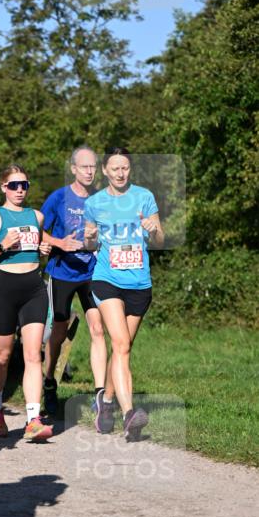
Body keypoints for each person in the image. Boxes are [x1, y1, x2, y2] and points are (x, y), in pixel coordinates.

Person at [84, 147, 164, 440]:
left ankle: (104, 403)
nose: (120, 173)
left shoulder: (144, 197)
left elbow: (159, 238)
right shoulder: (95, 203)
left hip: (139, 283)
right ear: (105, 170)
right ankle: (130, 413)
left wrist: (153, 229)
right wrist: (89, 238)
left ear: (131, 169)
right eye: (115, 168)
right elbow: (90, 242)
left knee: (123, 347)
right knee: (120, 343)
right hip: (107, 280)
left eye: (125, 168)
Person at [0, 165, 53, 442]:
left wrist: (43, 249)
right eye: (14, 185)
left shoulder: (37, 216)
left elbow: (37, 246)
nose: (20, 190)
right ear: (3, 187)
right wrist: (1, 246)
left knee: (34, 354)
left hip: (33, 288)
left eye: (24, 185)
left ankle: (33, 419)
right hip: (2, 289)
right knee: (3, 356)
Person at [40, 147, 107, 415]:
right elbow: (38, 230)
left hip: (91, 273)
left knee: (98, 329)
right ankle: (49, 384)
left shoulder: (100, 200)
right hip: (62, 273)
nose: (89, 171)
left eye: (93, 166)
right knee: (57, 334)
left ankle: (100, 395)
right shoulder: (58, 198)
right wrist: (59, 243)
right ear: (73, 169)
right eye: (84, 166)